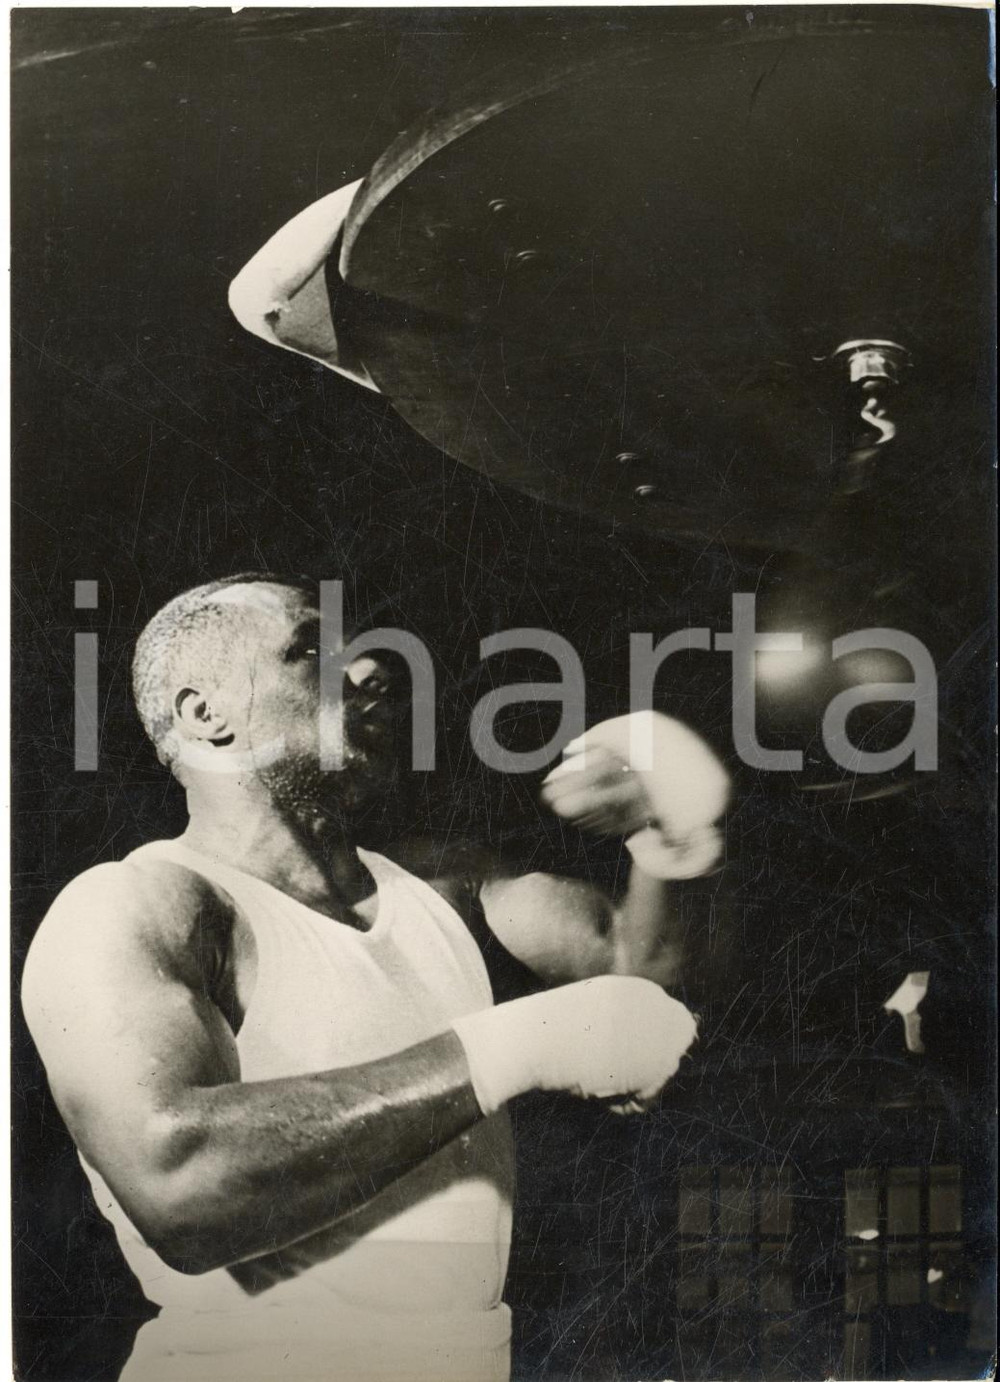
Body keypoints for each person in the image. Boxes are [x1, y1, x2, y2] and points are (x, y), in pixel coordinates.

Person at [22, 573, 730, 1382]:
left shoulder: (447, 892)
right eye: (310, 650)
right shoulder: (136, 906)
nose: (369, 672)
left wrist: (666, 826)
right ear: (205, 714)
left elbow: (642, 982)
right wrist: (512, 1048)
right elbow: (178, 1186)